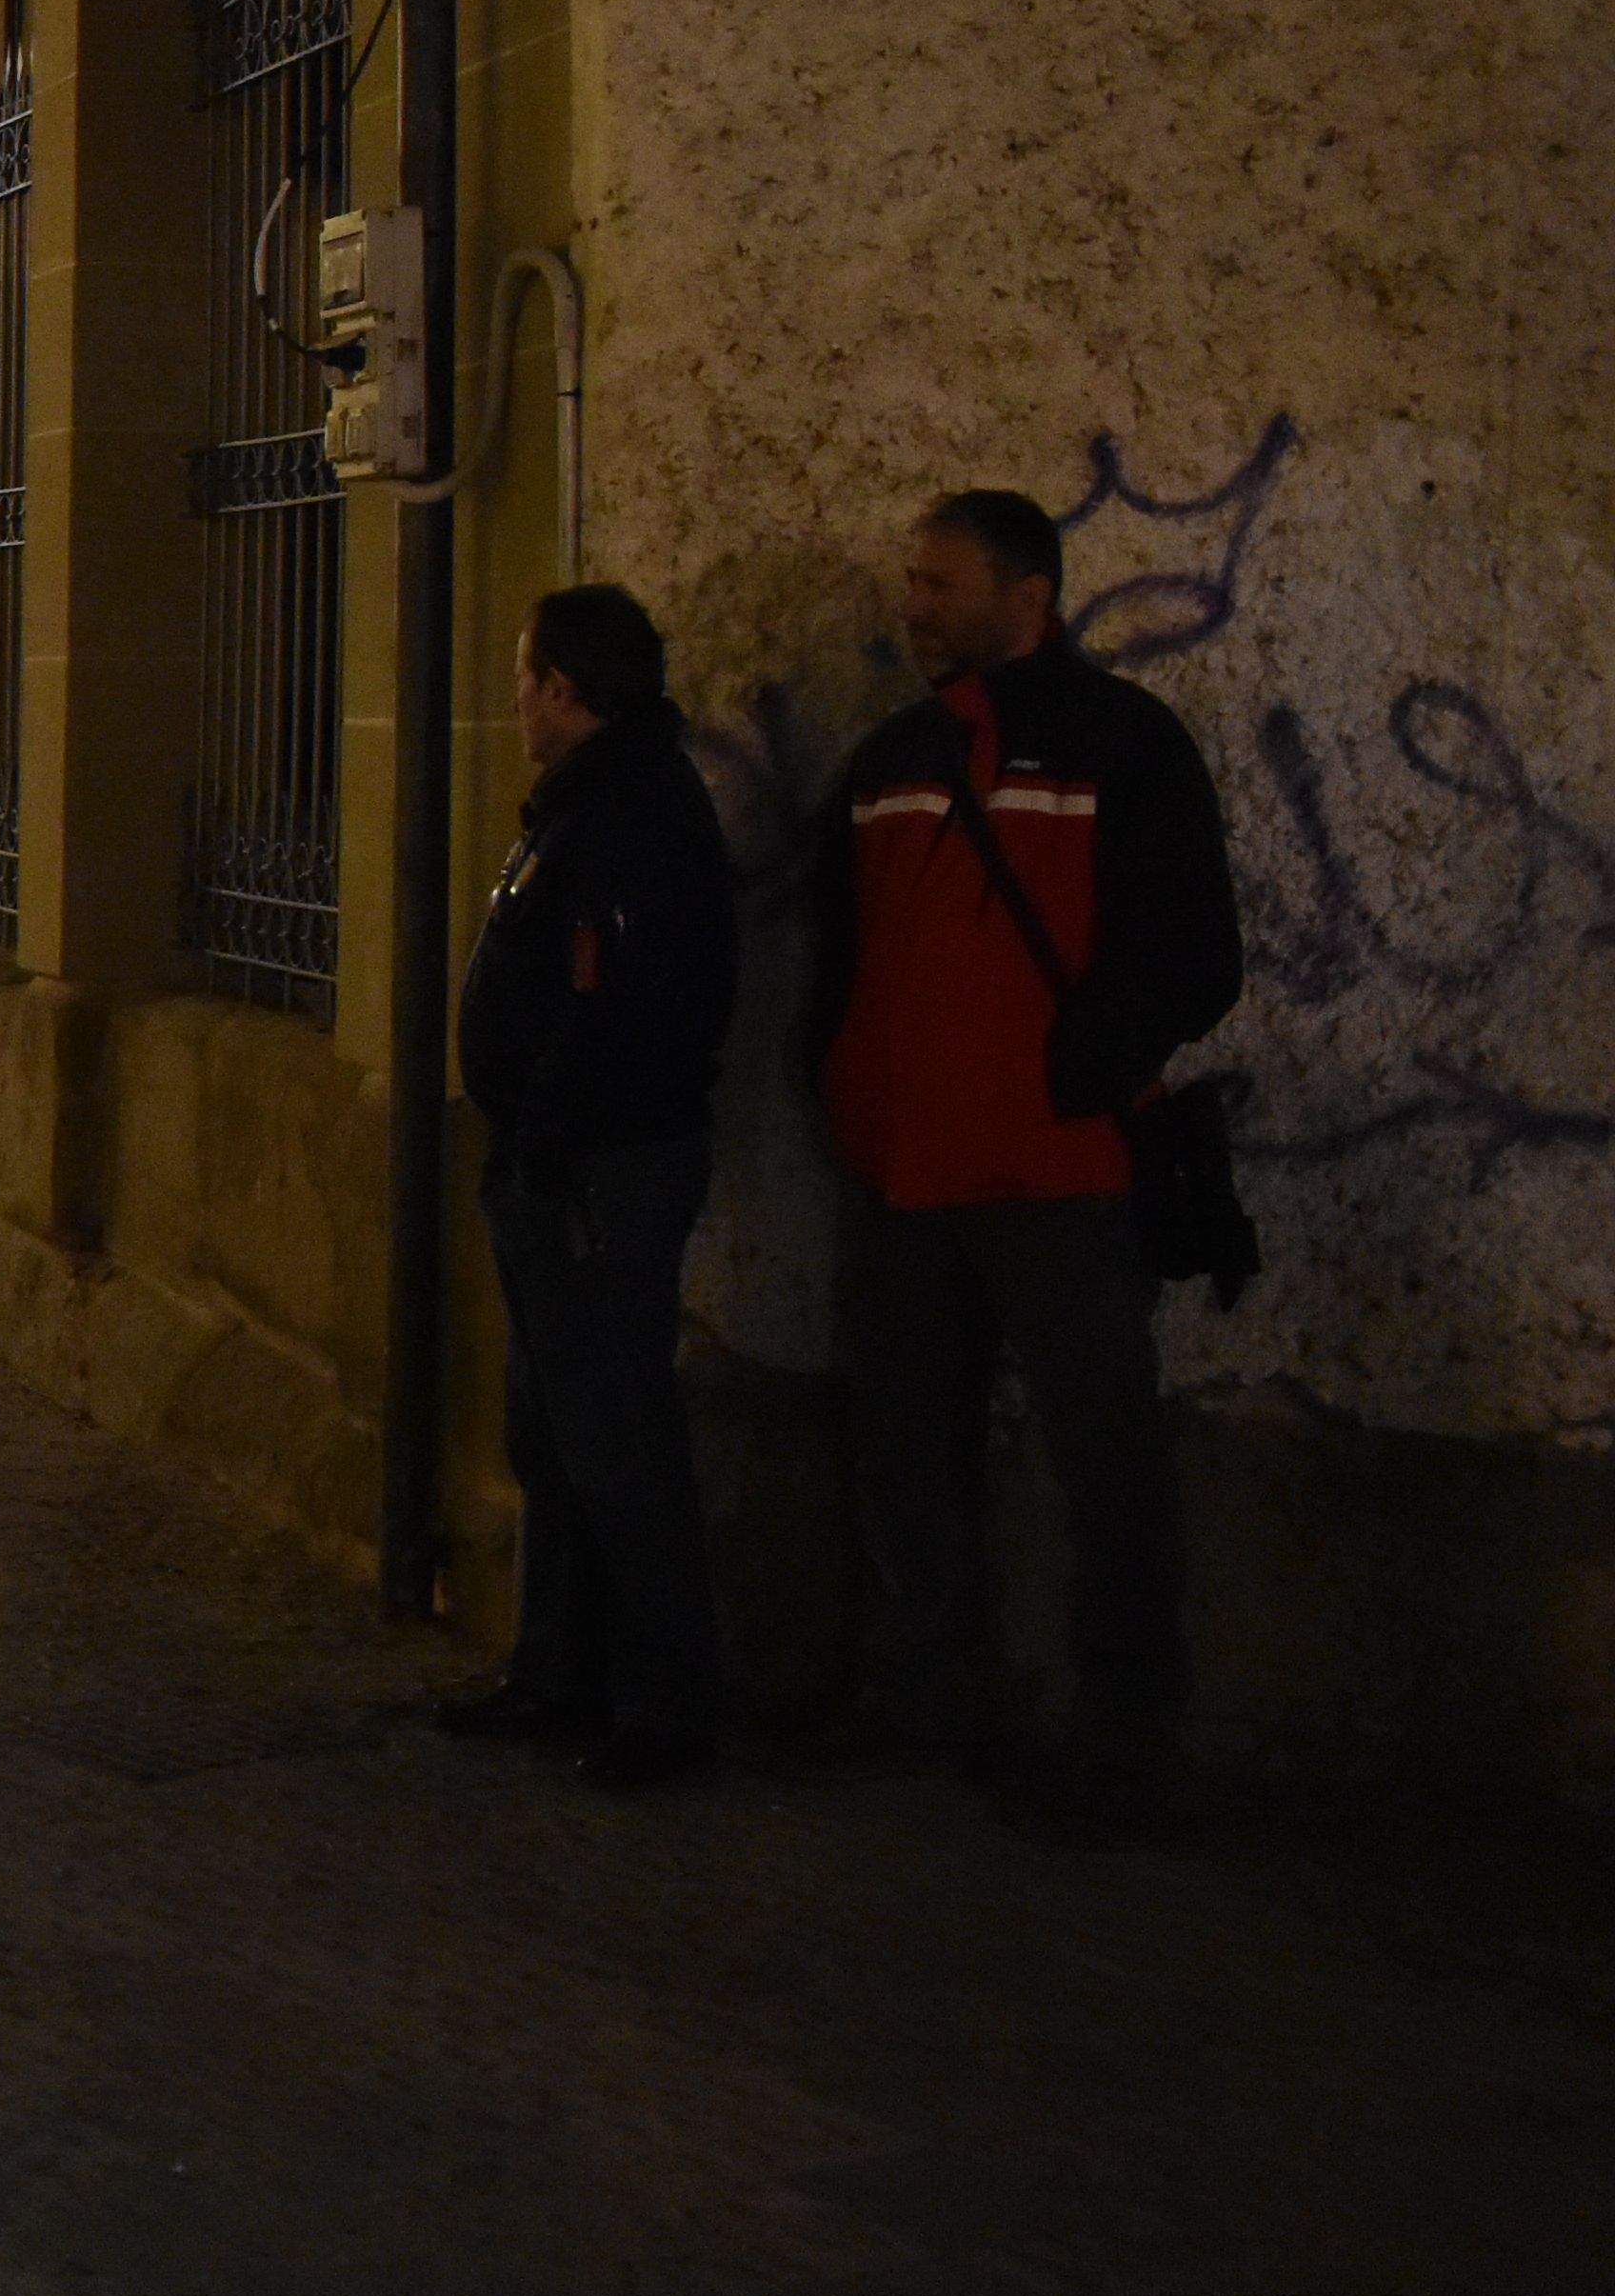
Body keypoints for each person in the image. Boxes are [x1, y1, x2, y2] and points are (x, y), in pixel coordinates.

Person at [805, 489, 1245, 1825]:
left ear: (1027, 595)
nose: (913, 604)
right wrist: (844, 1091)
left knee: (1101, 1454)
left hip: (1059, 1176)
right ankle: (930, 1696)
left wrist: (1072, 1074)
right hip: (907, 1180)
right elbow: (839, 961)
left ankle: (1123, 1734)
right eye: (912, 580)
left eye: (940, 583)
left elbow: (1190, 953)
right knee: (905, 1443)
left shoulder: (1123, 745)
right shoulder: (888, 760)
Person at [443, 587, 739, 1787]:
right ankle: (558, 1668)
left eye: (525, 678)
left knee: (614, 1433)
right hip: (561, 1164)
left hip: (596, 1172)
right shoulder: (591, 805)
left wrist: (552, 1135)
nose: (514, 701)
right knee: (554, 1427)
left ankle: (663, 1700)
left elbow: (616, 1001)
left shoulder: (631, 813)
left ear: (566, 688)